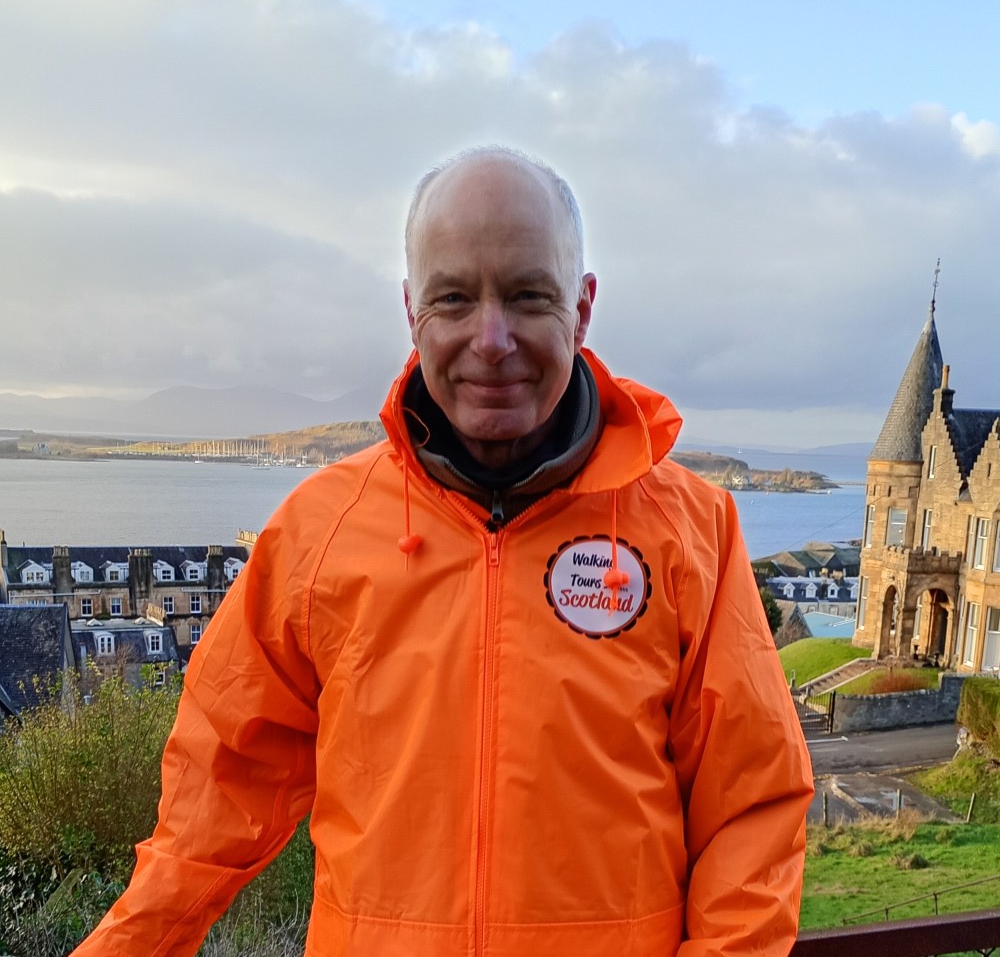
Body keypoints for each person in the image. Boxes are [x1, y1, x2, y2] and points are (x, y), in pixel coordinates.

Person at [73, 147, 813, 956]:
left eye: (529, 296)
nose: (490, 339)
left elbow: (753, 810)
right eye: (454, 298)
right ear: (411, 310)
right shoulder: (317, 532)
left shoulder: (691, 532)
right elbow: (211, 804)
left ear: (584, 306)